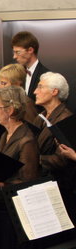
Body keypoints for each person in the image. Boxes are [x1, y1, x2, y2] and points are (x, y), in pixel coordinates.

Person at [0, 86, 39, 249]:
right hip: (0, 207)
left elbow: (28, 183)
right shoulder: (5, 135)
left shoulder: (27, 140)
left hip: (14, 214)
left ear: (10, 110)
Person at [33, 72, 73, 219]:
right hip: (42, 183)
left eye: (40, 87)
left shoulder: (65, 118)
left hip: (58, 189)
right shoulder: (41, 116)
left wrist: (32, 159)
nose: (35, 91)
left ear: (54, 92)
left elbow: (61, 159)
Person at [12, 31, 50, 101]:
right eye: (14, 52)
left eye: (18, 52)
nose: (14, 56)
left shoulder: (46, 76)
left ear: (30, 50)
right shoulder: (17, 74)